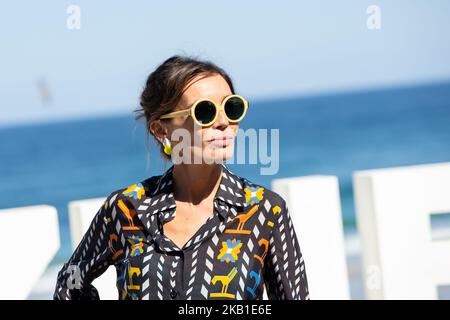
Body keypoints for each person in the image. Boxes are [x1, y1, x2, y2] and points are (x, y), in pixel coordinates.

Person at [53, 55, 309, 300]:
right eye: (205, 111)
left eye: (232, 107)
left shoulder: (265, 210)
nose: (223, 122)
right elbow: (71, 281)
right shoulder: (125, 208)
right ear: (161, 129)